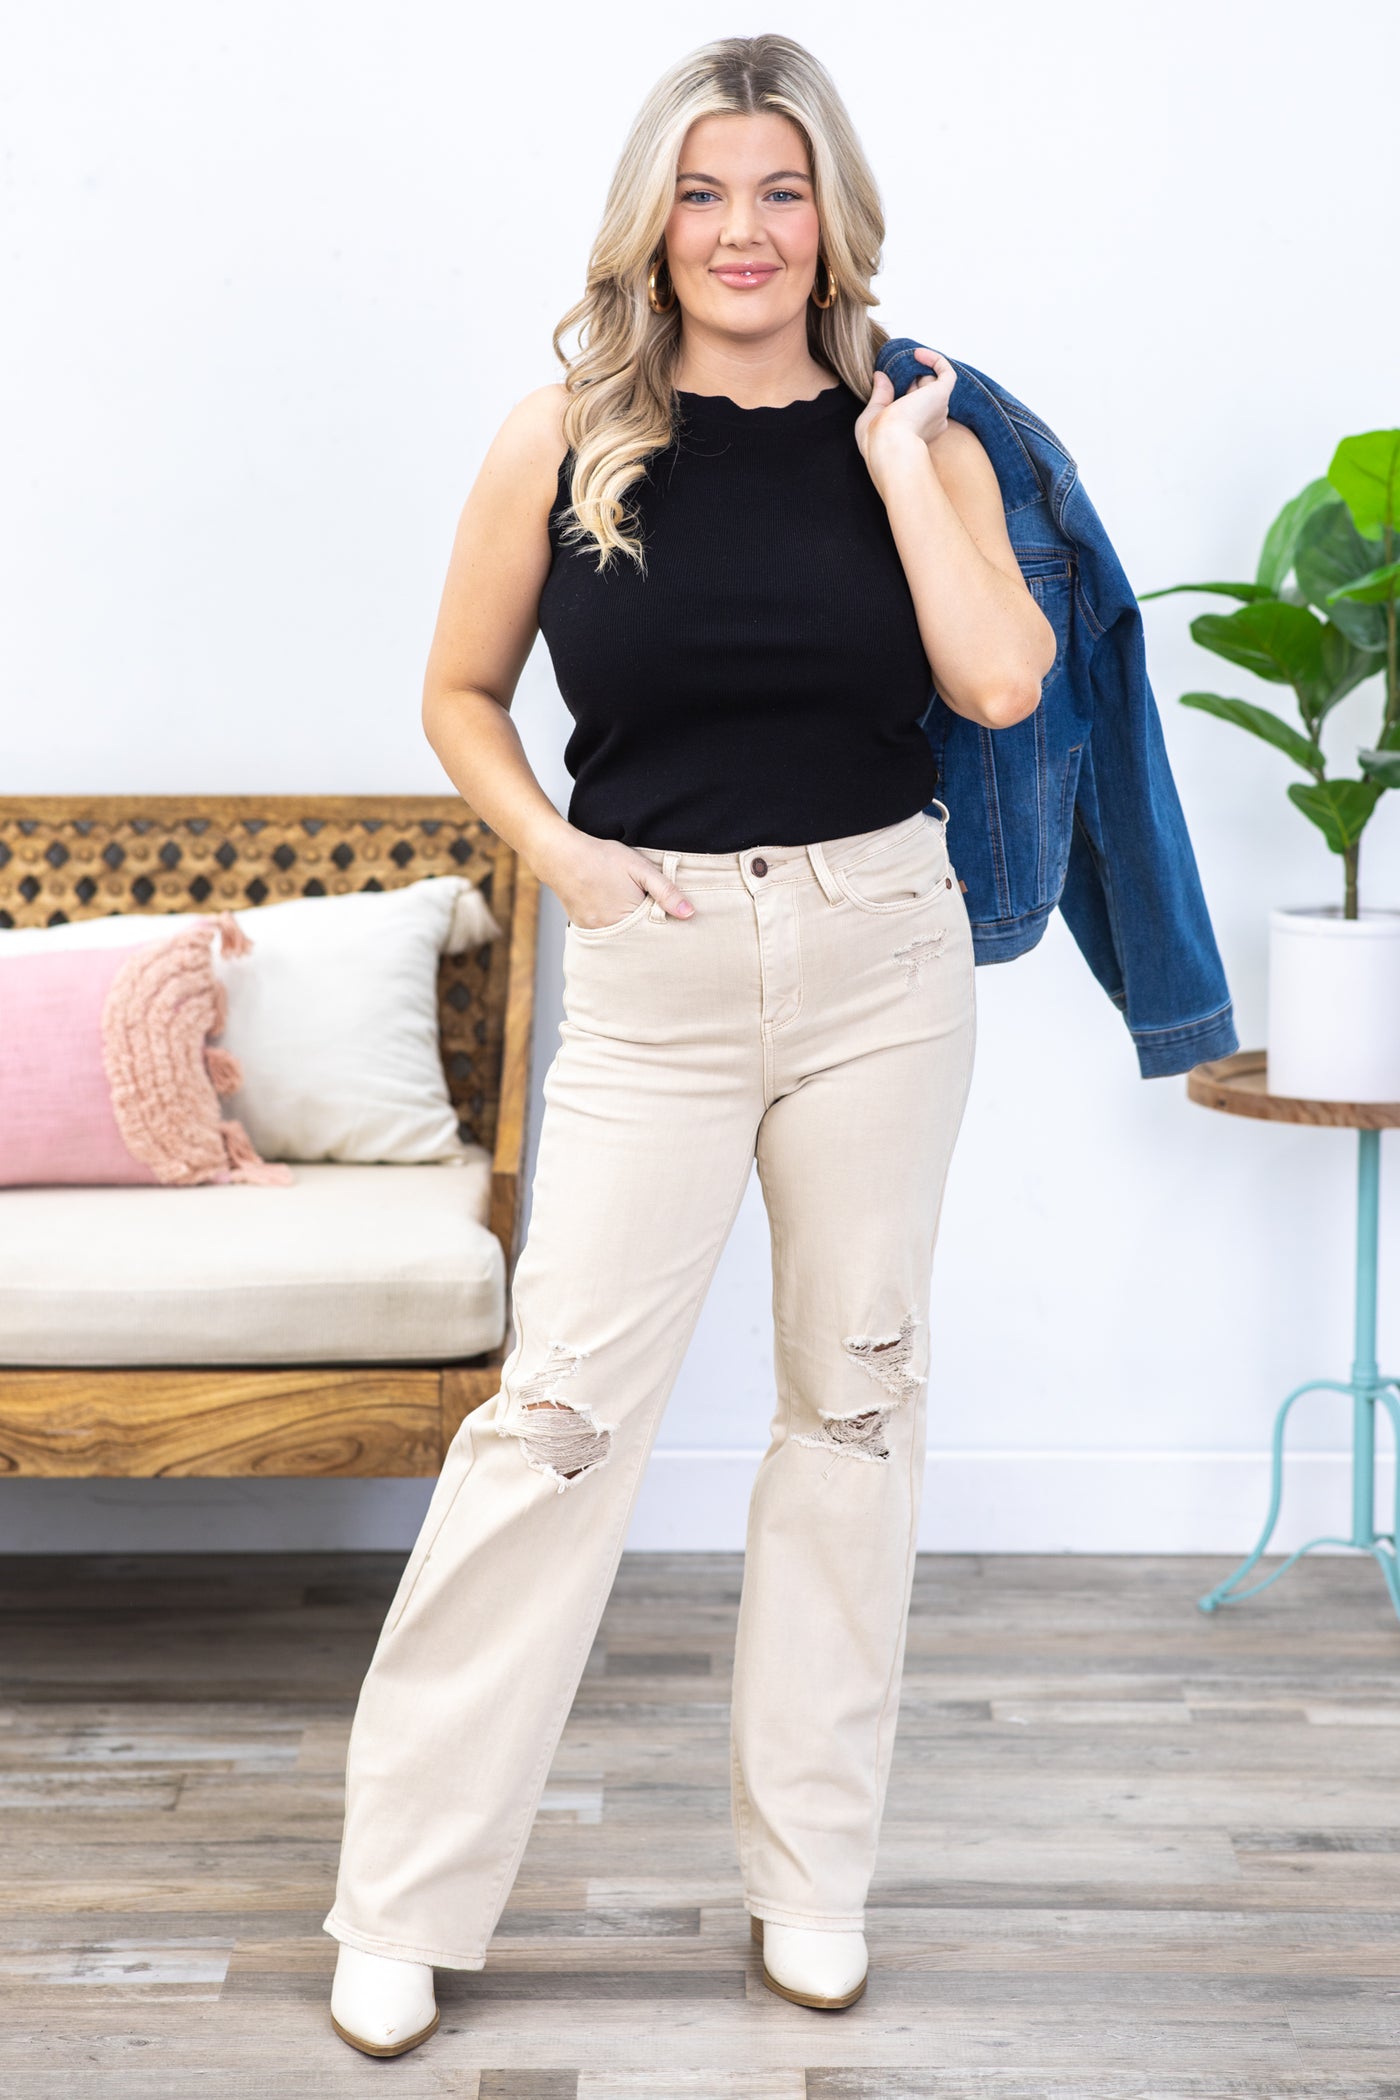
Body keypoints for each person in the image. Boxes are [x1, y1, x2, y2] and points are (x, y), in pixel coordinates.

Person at [324, 31, 1055, 2058]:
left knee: (853, 1407)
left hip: (880, 954)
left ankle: (810, 1885)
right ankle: (401, 1901)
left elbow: (1000, 681)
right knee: (554, 1420)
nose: (743, 231)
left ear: (832, 215)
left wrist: (898, 469)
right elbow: (459, 692)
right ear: (653, 217)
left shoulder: (925, 431)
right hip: (651, 962)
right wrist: (561, 856)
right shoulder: (561, 436)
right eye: (706, 191)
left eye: (781, 191)